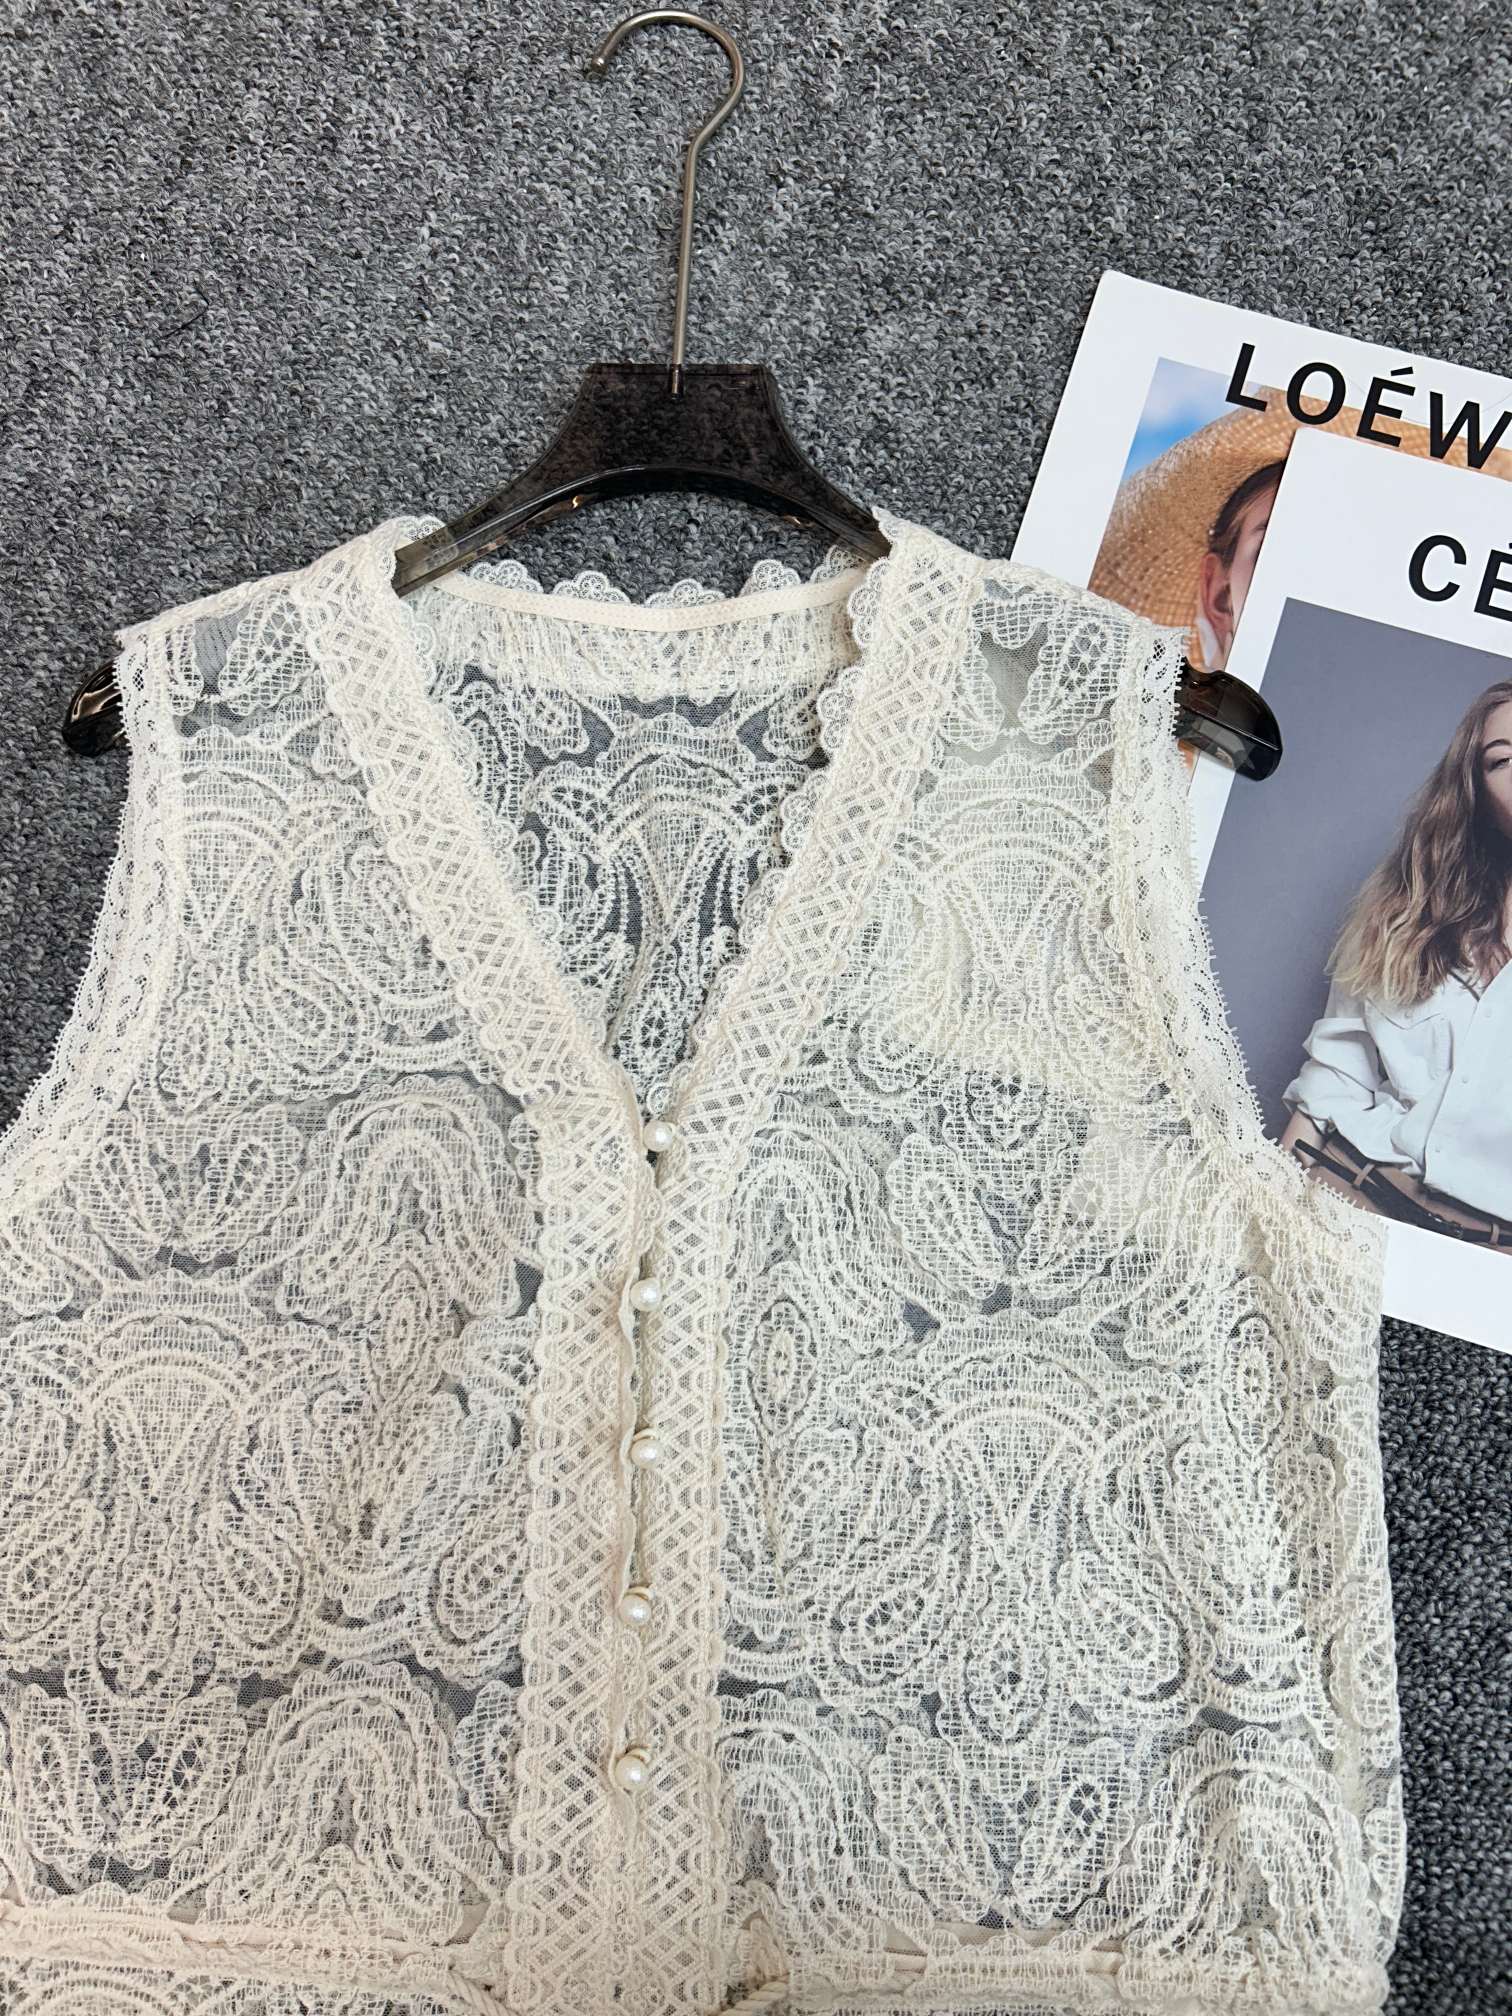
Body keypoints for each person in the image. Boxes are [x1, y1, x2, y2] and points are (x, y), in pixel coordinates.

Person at [1279, 679, 1512, 1246]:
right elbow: (1336, 1075)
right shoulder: (1411, 910)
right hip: (1348, 1195)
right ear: (1477, 790)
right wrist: (1269, 1219)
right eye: (1503, 761)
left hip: (1489, 1256)